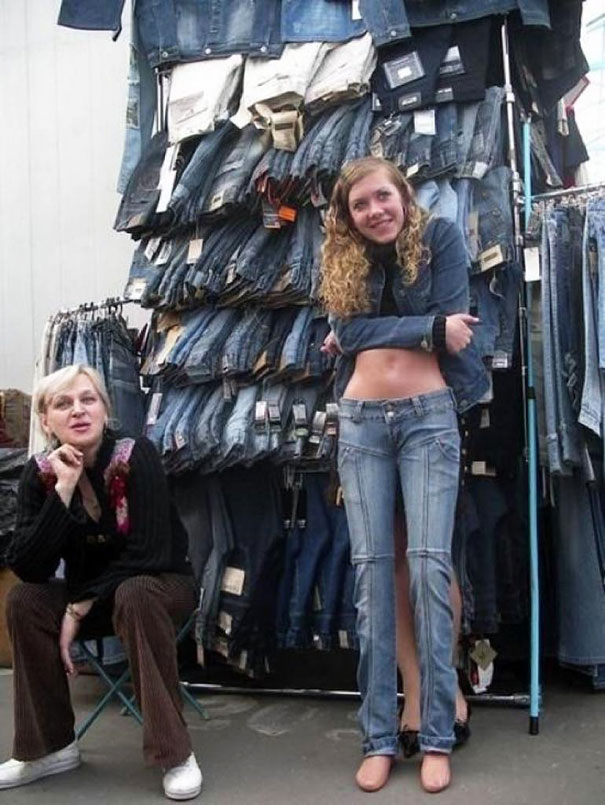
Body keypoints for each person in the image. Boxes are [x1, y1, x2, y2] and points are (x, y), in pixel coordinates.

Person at [320, 156, 488, 793]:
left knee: (426, 565)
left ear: (403, 195)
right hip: (361, 421)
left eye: (382, 197)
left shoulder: (440, 238)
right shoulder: (343, 257)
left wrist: (380, 334)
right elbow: (348, 326)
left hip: (427, 417)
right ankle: (382, 733)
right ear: (348, 214)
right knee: (372, 575)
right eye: (360, 205)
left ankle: (439, 727)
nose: (374, 212)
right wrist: (425, 328)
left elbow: (457, 329)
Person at [0, 365, 202, 800]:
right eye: (63, 403)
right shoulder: (41, 475)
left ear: (105, 409)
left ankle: (174, 752)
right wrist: (64, 491)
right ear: (45, 420)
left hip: (160, 587)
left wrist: (80, 605)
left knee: (136, 591)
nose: (78, 411)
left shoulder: (137, 455)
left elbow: (151, 553)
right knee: (24, 600)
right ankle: (50, 748)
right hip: (92, 599)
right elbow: (28, 565)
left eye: (88, 400)